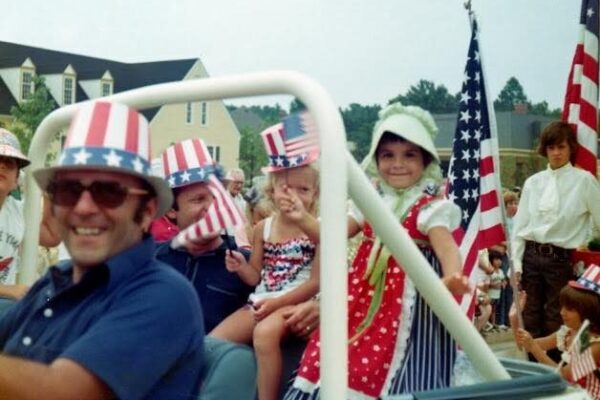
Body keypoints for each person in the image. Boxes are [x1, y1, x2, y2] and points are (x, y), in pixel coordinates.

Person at [0, 101, 205, 399]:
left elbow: (63, 393)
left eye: (108, 192)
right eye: (68, 191)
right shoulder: (55, 280)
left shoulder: (166, 296)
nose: (83, 207)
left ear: (147, 211)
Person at [286, 103, 470, 399]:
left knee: (400, 367)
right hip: (361, 299)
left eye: (409, 155)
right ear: (376, 160)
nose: (398, 164)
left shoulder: (430, 209)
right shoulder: (370, 202)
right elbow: (331, 234)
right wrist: (302, 217)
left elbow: (446, 246)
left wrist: (451, 277)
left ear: (425, 161)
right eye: (388, 155)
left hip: (410, 306)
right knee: (336, 359)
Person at [210, 125, 321, 400]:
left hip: (296, 302)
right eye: (286, 188)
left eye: (303, 189)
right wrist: (240, 267)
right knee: (212, 342)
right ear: (272, 192)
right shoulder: (262, 228)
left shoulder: (318, 229)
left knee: (264, 334)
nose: (294, 196)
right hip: (262, 300)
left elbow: (317, 282)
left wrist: (278, 304)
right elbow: (256, 276)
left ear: (315, 194)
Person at [511, 121, 600, 354]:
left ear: (571, 148)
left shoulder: (585, 181)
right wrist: (517, 264)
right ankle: (533, 376)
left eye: (561, 147)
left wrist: (590, 244)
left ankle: (556, 373)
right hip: (531, 256)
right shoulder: (533, 183)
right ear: (545, 150)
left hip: (560, 261)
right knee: (529, 317)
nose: (556, 153)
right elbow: (519, 228)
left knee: (557, 319)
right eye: (551, 148)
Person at [155, 138, 255, 332]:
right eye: (198, 199)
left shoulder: (247, 267)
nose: (211, 208)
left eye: (216, 197)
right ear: (171, 210)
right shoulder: (151, 260)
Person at [514, 264, 600, 399]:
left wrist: (534, 348)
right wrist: (514, 317)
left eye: (570, 309)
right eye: (563, 307)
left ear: (590, 312)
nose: (562, 313)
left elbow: (562, 376)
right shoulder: (568, 332)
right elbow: (523, 345)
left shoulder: (596, 346)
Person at [0, 129, 30, 301]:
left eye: (10, 163)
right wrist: (8, 290)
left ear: (17, 178)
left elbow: (52, 236)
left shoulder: (19, 212)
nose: (2, 165)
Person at [487, 249, 506, 329]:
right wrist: (493, 285)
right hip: (490, 294)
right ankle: (487, 323)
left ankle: (493, 324)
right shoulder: (490, 271)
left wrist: (504, 283)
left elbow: (503, 280)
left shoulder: (501, 271)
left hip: (497, 294)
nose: (499, 261)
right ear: (491, 260)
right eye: (496, 259)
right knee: (489, 309)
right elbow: (487, 283)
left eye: (500, 259)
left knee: (494, 309)